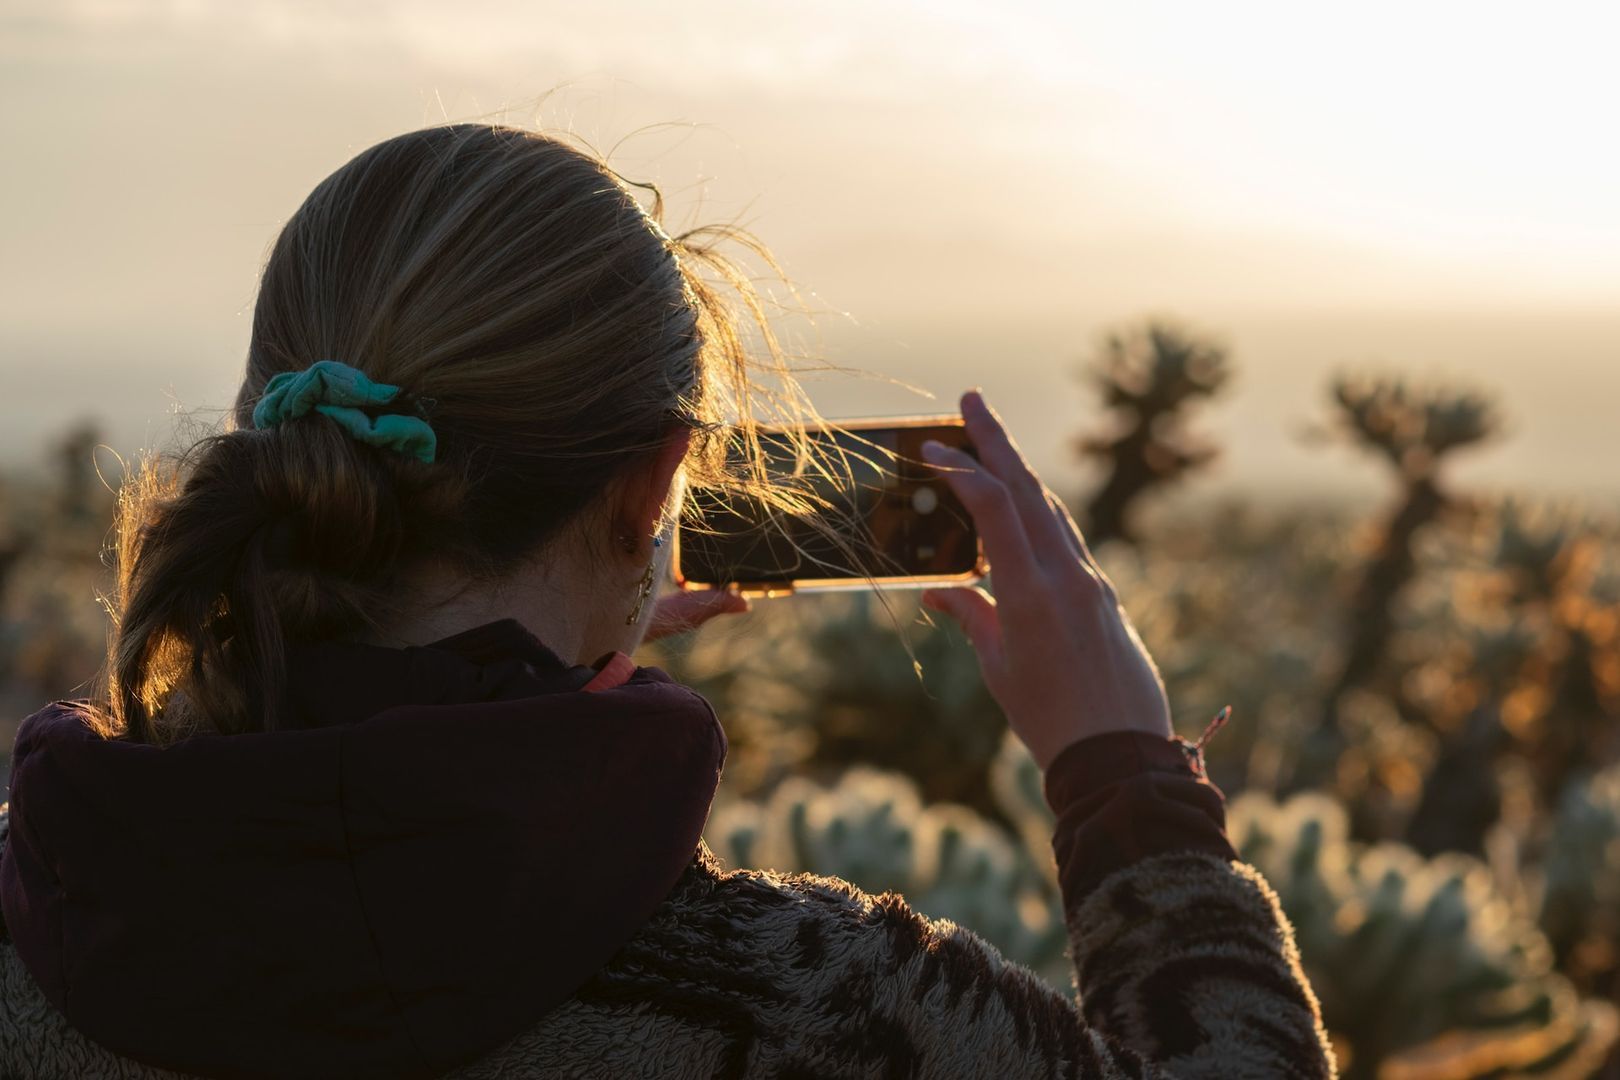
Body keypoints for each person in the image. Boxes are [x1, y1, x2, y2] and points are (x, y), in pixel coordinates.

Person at [0, 124, 1335, 1079]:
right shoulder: (833, 1012)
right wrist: (1126, 780)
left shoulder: (34, 910)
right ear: (655, 491)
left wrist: (530, 680)